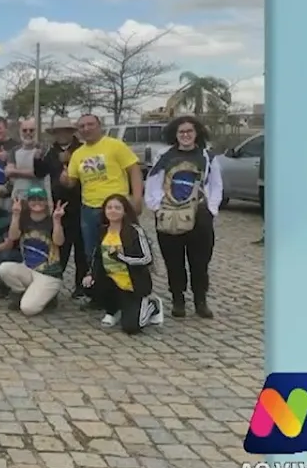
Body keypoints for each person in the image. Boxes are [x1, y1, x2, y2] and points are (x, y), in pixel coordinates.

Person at [144, 116, 221, 319]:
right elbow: (152, 181)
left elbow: (216, 185)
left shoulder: (207, 156)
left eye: (189, 131)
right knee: (173, 260)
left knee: (200, 261)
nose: (185, 135)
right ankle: (178, 300)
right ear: (175, 134)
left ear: (196, 133)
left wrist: (211, 210)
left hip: (200, 215)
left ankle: (200, 300)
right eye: (181, 132)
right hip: (169, 213)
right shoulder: (164, 155)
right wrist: (156, 206)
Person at [60, 114, 143, 269]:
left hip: (116, 208)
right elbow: (71, 182)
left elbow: (134, 170)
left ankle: (123, 287)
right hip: (89, 210)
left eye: (90, 124)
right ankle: (98, 287)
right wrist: (63, 178)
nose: (86, 129)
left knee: (120, 250)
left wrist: (137, 198)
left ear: (99, 126)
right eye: (82, 126)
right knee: (92, 253)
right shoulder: (78, 154)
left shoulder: (115, 145)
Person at [83, 194, 163, 334]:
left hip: (132, 284)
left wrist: (121, 257)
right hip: (111, 282)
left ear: (125, 211)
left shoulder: (135, 231)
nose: (113, 211)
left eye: (117, 208)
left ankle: (152, 305)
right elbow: (97, 256)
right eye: (109, 208)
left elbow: (147, 259)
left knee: (131, 328)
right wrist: (90, 274)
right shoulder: (103, 231)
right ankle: (113, 309)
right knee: (89, 286)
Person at [0, 188, 67, 316]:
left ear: (46, 202)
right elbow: (13, 237)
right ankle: (21, 292)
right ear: (28, 202)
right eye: (33, 199)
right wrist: (15, 215)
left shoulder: (51, 219)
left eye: (40, 199)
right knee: (4, 268)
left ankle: (49, 296)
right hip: (28, 268)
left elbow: (59, 242)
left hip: (49, 273)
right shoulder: (24, 218)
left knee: (28, 309)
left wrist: (57, 221)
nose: (37, 202)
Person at [41, 118, 87, 302]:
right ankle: (53, 286)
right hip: (60, 205)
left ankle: (81, 287)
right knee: (60, 248)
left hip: (82, 203)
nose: (62, 135)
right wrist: (37, 159)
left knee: (82, 250)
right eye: (58, 132)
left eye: (65, 131)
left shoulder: (81, 149)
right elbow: (40, 172)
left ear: (71, 132)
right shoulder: (50, 152)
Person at [7, 118, 50, 200]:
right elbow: (8, 172)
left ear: (36, 131)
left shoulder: (44, 149)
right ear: (20, 132)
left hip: (39, 198)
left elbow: (40, 173)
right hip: (19, 196)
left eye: (31, 130)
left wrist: (16, 172)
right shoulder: (14, 150)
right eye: (24, 130)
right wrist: (31, 172)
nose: (28, 133)